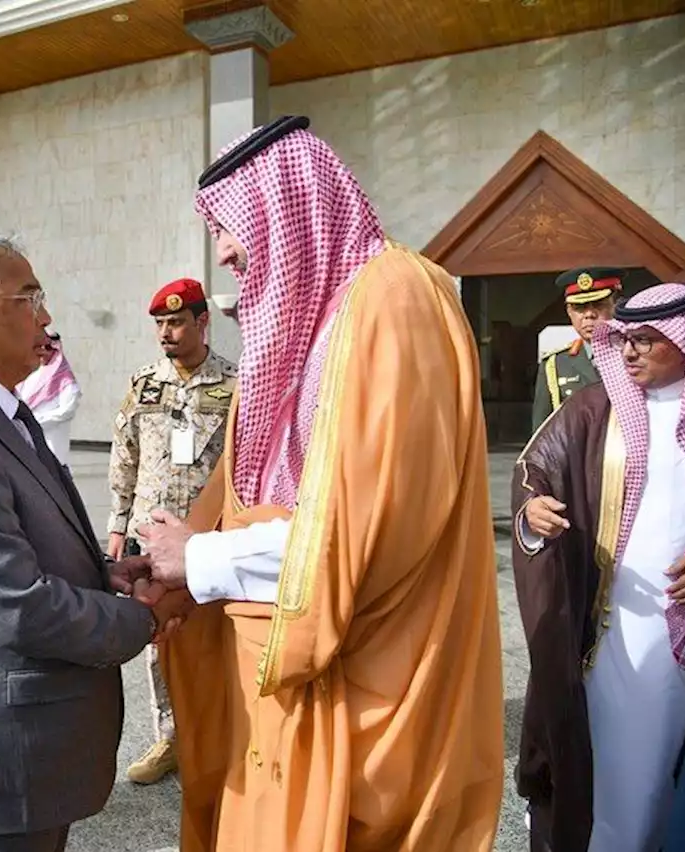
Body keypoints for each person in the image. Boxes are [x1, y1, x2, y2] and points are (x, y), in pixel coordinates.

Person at [139, 117, 505, 850]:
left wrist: (203, 561)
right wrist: (174, 573)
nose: (226, 250)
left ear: (285, 203)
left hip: (360, 675)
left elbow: (376, 528)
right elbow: (249, 488)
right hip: (283, 661)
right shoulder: (320, 319)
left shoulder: (396, 301)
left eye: (230, 225)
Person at [0, 225, 185, 852]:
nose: (47, 317)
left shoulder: (3, 411)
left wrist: (104, 574)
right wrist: (140, 619)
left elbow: (27, 543)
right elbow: (13, 603)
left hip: (34, 752)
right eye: (28, 299)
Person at [512, 281, 685, 851]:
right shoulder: (595, 409)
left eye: (646, 340)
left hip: (681, 633)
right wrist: (531, 512)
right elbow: (533, 475)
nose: (630, 351)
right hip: (615, 633)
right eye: (626, 339)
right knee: (619, 771)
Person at [106, 277, 236, 785]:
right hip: (152, 538)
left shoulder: (232, 384)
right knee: (159, 638)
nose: (167, 332)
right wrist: (117, 525)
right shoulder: (144, 384)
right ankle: (171, 738)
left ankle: (221, 731)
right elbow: (125, 457)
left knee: (215, 636)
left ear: (203, 322)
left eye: (177, 322)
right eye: (160, 323)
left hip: (210, 537)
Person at [530, 266, 622, 428]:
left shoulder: (635, 355)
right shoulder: (555, 364)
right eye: (579, 308)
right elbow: (542, 432)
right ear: (569, 312)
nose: (589, 315)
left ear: (616, 305)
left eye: (598, 305)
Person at [15, 330, 81, 465]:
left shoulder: (66, 381)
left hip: (52, 442)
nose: (44, 352)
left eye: (49, 348)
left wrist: (39, 421)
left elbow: (67, 411)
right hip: (29, 440)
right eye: (41, 347)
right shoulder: (29, 376)